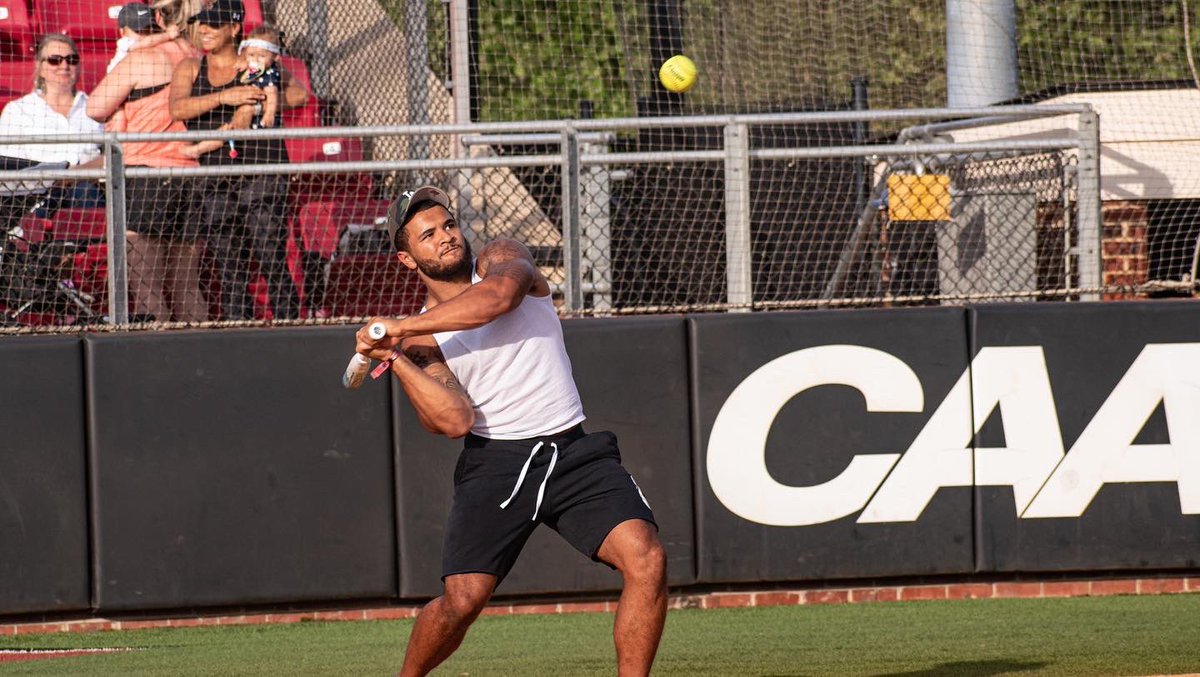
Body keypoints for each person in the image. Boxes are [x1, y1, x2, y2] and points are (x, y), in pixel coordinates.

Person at [355, 186, 668, 677]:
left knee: (646, 560)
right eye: (428, 235)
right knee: (462, 600)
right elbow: (453, 420)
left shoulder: (503, 257)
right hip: (496, 465)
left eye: (449, 225)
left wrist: (394, 327)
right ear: (406, 257)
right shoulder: (417, 337)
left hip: (573, 451)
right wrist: (395, 356)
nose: (446, 238)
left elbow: (497, 300)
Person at [169, 0, 307, 321]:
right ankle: (239, 334)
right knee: (230, 266)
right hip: (216, 176)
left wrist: (257, 104)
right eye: (202, 23)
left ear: (234, 29)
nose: (204, 30)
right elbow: (177, 108)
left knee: (271, 255)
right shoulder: (190, 67)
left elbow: (299, 95)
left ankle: (291, 329)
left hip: (263, 170)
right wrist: (225, 97)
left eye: (214, 24)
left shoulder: (256, 61)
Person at [86, 0, 207, 322]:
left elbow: (95, 107)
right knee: (187, 286)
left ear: (157, 16)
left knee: (146, 287)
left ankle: (159, 364)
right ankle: (203, 362)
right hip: (191, 173)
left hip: (150, 174)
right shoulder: (197, 57)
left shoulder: (142, 58)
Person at [0, 34, 104, 233]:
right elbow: (7, 166)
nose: (64, 66)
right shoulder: (18, 110)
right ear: (40, 67)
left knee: (85, 192)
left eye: (71, 60)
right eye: (55, 60)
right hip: (34, 195)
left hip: (83, 190)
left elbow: (112, 154)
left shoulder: (97, 108)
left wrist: (74, 174)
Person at [181, 22, 283, 160]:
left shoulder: (270, 73)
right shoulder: (253, 65)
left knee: (225, 134)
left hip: (258, 122)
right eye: (251, 55)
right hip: (242, 120)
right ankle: (198, 148)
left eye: (261, 56)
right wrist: (244, 61)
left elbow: (272, 93)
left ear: (275, 57)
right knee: (225, 132)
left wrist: (265, 112)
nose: (255, 60)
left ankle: (198, 149)